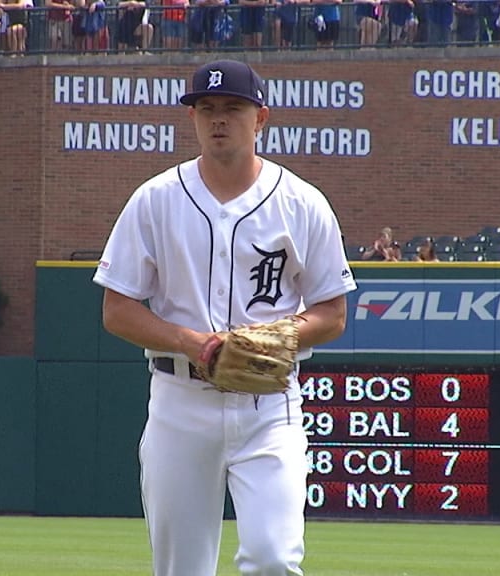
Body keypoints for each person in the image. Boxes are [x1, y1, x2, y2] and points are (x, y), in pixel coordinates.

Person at [92, 59, 357, 576]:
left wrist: (277, 337)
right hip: (179, 403)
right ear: (192, 118)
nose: (218, 119)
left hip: (268, 404)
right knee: (181, 570)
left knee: (274, 559)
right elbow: (116, 310)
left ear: (261, 119)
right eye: (205, 108)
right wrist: (191, 342)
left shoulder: (303, 203)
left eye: (232, 108)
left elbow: (333, 313)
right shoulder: (155, 200)